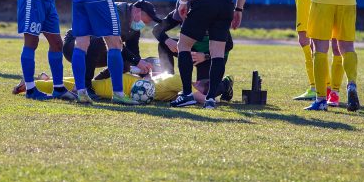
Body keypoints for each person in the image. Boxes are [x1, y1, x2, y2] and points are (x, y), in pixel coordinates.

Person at [62, 0, 162, 100]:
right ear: (137, 11)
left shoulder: (134, 26)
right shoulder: (115, 12)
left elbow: (133, 53)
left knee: (126, 62)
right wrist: (137, 61)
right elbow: (110, 40)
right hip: (73, 44)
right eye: (146, 20)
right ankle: (84, 86)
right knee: (101, 40)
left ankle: (96, 83)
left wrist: (145, 73)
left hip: (95, 49)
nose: (145, 24)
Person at [152, 0, 233, 80]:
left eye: (185, 15)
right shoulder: (179, 13)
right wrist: (167, 40)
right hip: (193, 51)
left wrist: (206, 56)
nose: (182, 18)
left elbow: (229, 45)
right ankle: (168, 79)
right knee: (163, 45)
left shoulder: (213, 16)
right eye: (180, 15)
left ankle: (226, 84)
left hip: (212, 56)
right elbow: (157, 29)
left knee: (204, 89)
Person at [28, 72, 233, 105]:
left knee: (76, 81)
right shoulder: (183, 81)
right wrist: (211, 100)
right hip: (127, 86)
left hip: (132, 84)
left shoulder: (180, 80)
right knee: (79, 85)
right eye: (205, 89)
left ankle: (44, 78)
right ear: (199, 84)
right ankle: (32, 84)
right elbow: (198, 98)